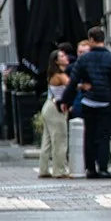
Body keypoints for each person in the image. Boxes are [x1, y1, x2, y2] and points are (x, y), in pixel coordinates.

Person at [61, 27, 111, 179]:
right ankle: (103, 167)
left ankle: (90, 168)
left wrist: (66, 100)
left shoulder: (84, 59)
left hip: (89, 101)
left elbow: (73, 81)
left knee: (89, 135)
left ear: (91, 40)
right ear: (103, 39)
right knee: (104, 136)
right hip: (106, 101)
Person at [38, 50, 72, 178]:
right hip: (56, 108)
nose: (66, 57)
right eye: (62, 56)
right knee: (60, 139)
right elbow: (72, 85)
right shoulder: (59, 75)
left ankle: (44, 169)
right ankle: (60, 170)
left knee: (47, 140)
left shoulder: (53, 73)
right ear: (57, 61)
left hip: (49, 106)